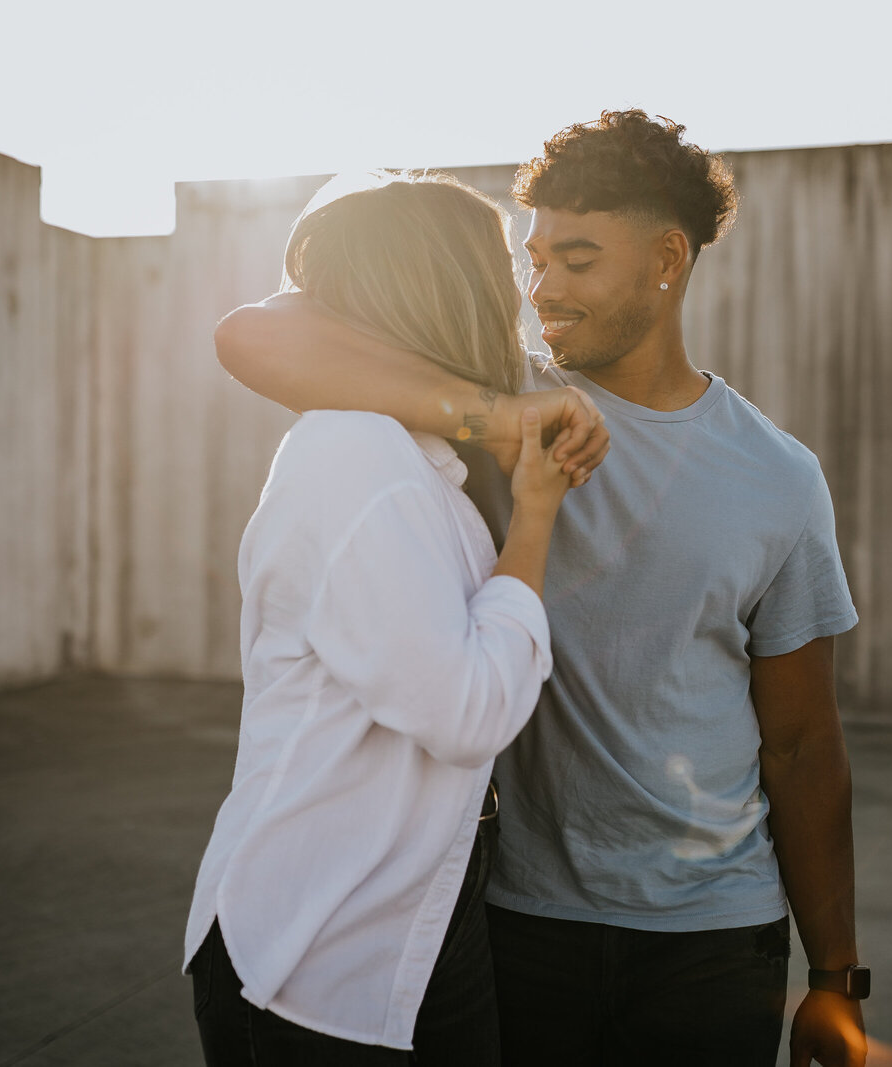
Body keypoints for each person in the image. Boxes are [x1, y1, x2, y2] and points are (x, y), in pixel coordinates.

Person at [214, 111, 868, 1067]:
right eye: (535, 257)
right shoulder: (492, 392)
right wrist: (499, 412)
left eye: (578, 258)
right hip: (513, 920)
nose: (542, 287)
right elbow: (251, 336)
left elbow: (805, 740)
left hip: (713, 940)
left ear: (667, 259)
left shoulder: (778, 475)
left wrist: (836, 973)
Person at [182, 171, 607, 1066]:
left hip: (405, 925)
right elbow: (466, 714)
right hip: (313, 954)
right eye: (500, 278)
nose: (518, 306)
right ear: (448, 293)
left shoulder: (413, 461)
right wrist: (534, 516)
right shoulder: (358, 457)